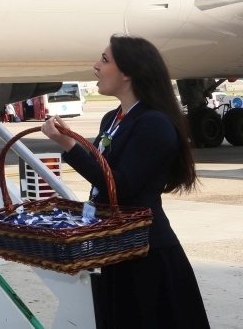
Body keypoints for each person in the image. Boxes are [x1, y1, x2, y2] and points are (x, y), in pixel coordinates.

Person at [40, 35, 209, 329]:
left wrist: (69, 146)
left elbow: (119, 186)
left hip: (146, 253)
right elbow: (102, 172)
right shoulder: (112, 119)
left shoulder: (153, 123)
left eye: (105, 60)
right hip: (117, 247)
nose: (96, 66)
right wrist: (73, 143)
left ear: (129, 72)